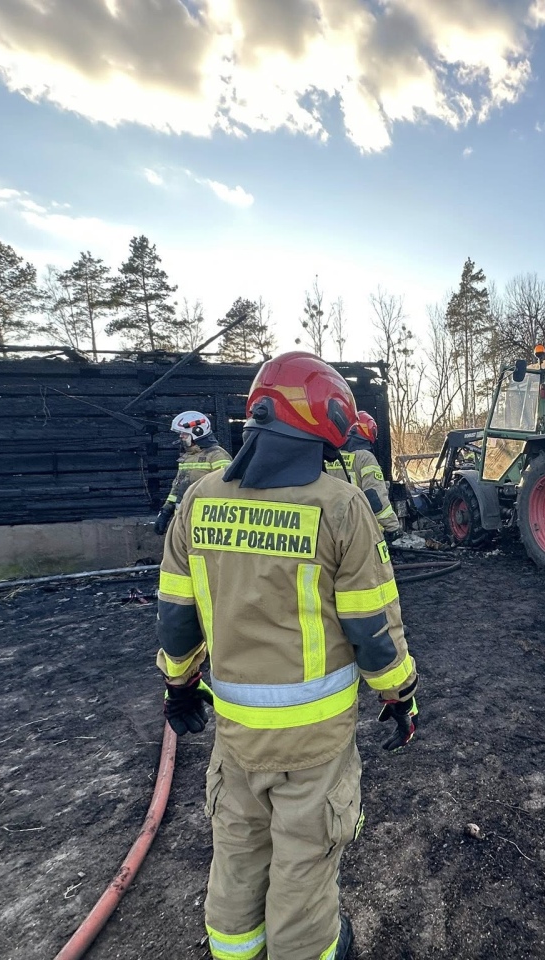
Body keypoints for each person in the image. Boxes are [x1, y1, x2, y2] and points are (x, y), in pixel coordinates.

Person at [155, 352, 419, 960]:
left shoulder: (198, 502)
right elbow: (372, 627)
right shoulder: (340, 506)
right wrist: (400, 695)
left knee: (239, 851)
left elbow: (175, 615)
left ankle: (233, 950)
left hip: (236, 733)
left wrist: (178, 685)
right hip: (313, 744)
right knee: (303, 860)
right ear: (323, 417)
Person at [154, 411, 233, 535]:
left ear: (197, 432)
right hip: (184, 518)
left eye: (184, 434)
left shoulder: (217, 456)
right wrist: (166, 511)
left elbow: (226, 489)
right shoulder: (188, 457)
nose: (181, 437)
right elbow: (178, 487)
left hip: (207, 522)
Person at [325, 411, 401, 539]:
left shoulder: (329, 457)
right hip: (359, 529)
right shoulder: (364, 458)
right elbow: (374, 496)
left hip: (330, 528)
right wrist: (393, 527)